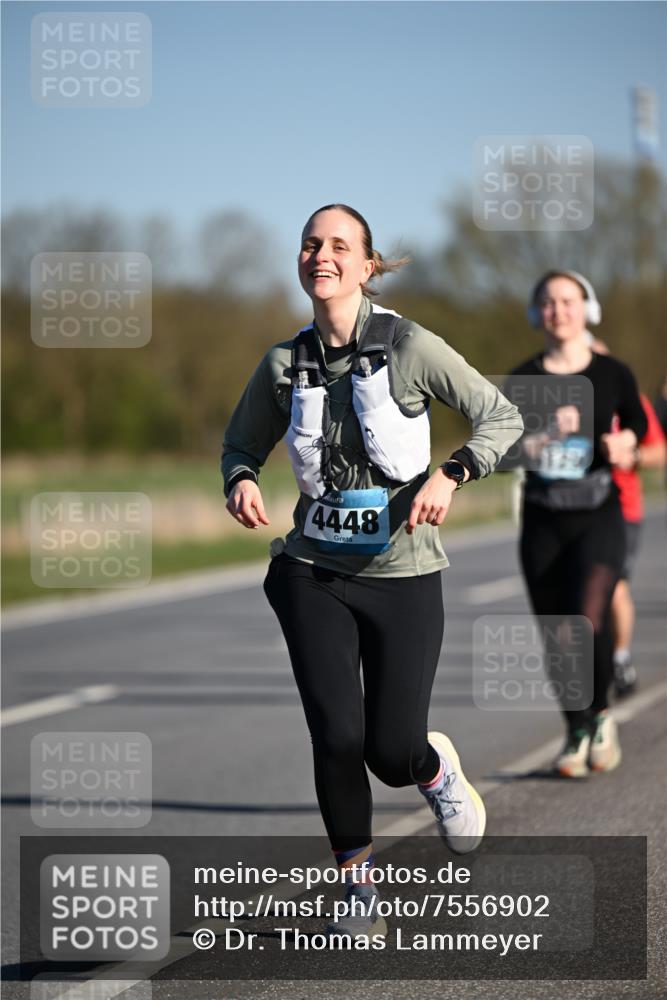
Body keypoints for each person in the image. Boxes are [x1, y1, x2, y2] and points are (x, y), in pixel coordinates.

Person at [221, 204, 523, 938]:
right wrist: (241, 479)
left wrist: (451, 473)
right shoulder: (281, 364)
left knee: (389, 750)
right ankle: (357, 892)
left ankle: (432, 769)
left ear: (364, 265)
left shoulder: (411, 347)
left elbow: (501, 417)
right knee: (335, 734)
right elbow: (241, 444)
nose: (319, 255)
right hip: (311, 571)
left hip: (404, 575)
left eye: (337, 246)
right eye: (309, 244)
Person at [504, 271, 648, 778]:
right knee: (556, 633)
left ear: (585, 308)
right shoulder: (523, 378)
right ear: (535, 313)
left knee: (585, 621)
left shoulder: (611, 372)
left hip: (599, 514)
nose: (558, 310)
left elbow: (640, 424)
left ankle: (601, 713)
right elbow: (504, 450)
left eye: (567, 301)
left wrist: (625, 444)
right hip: (544, 518)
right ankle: (575, 728)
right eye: (547, 302)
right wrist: (546, 434)